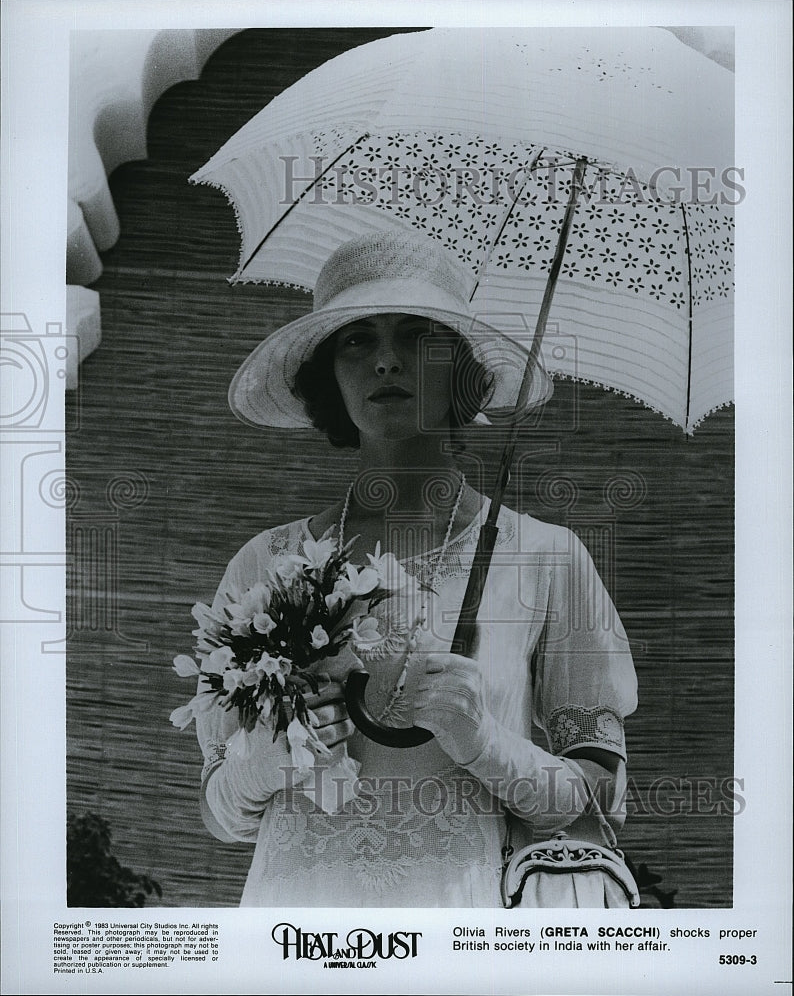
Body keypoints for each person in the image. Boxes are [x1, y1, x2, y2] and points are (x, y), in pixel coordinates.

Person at [194, 230, 638, 907]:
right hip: (292, 929)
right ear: (326, 374)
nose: (386, 361)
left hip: (461, 929)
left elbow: (600, 796)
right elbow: (219, 809)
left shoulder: (546, 557)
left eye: (415, 336)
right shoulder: (265, 563)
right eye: (357, 339)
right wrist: (267, 758)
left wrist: (484, 740)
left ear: (459, 367)